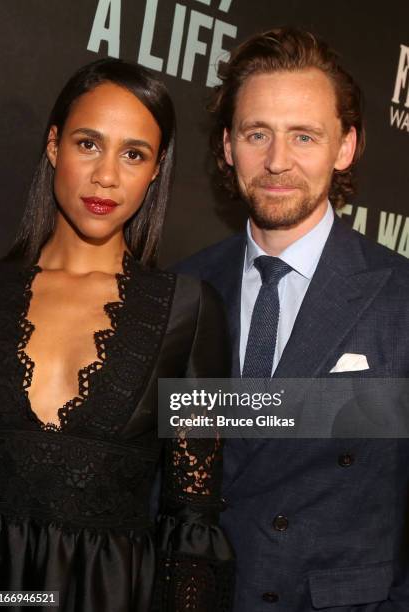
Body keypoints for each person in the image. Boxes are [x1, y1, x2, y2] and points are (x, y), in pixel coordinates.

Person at [0, 59, 234, 611]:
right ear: (53, 146)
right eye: (88, 144)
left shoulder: (190, 311)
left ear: (155, 170)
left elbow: (192, 520)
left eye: (133, 154)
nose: (107, 177)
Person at [174, 27, 409, 611]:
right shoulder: (180, 290)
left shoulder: (402, 298)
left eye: (304, 136)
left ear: (346, 147)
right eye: (258, 134)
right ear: (228, 146)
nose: (278, 162)